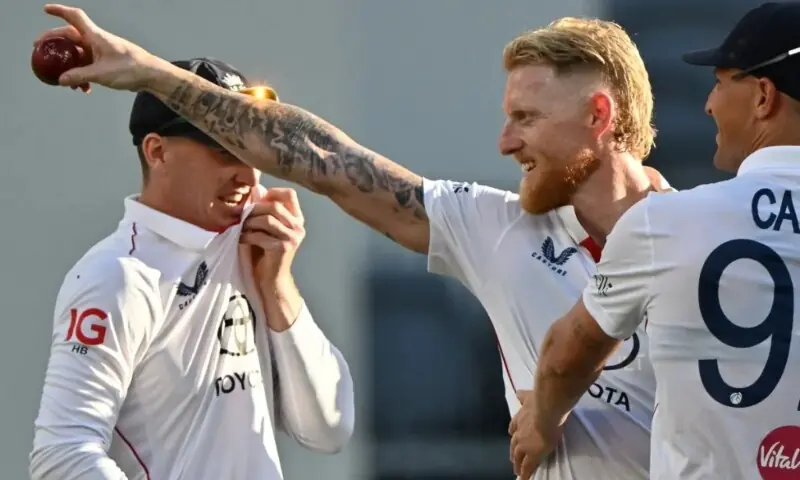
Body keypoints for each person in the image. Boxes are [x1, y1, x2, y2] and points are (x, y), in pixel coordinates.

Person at [34, 5, 667, 479]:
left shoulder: (702, 237)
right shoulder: (495, 227)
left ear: (598, 116)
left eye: (525, 118)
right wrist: (147, 72)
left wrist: (551, 406)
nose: (504, 142)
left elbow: (329, 426)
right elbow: (325, 158)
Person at [29, 57, 355, 480]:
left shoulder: (259, 245)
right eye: (224, 148)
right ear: (157, 151)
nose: (247, 173)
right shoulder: (116, 276)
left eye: (252, 148)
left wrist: (278, 285)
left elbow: (329, 429)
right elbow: (61, 457)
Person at [512, 2, 800, 479]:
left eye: (720, 82)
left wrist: (542, 421)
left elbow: (566, 356)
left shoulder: (664, 223)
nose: (708, 104)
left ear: (764, 96)